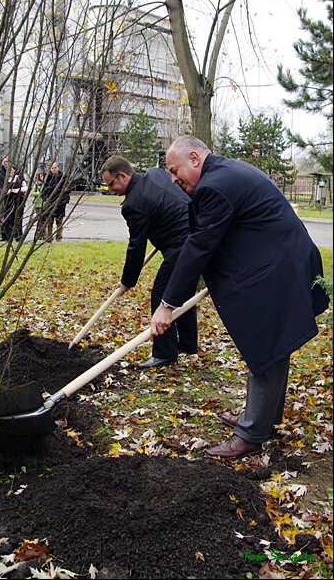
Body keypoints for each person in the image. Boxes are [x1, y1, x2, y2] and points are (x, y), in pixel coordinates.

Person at [151, 135, 329, 459]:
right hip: (281, 260)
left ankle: (251, 434)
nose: (173, 179)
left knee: (267, 346)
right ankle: (261, 418)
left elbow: (198, 247)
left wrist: (167, 305)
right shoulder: (226, 172)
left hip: (279, 268)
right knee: (271, 346)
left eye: (175, 171)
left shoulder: (214, 185)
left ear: (194, 158)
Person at [100, 155, 198, 368]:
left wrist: (127, 281)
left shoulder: (132, 204)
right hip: (196, 234)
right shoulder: (156, 174)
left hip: (180, 245)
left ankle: (164, 353)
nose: (110, 189)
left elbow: (136, 246)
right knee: (182, 291)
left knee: (162, 295)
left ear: (123, 176)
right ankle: (189, 344)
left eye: (110, 184)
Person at [42, 162, 70, 243]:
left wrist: (64, 201)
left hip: (60, 203)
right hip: (50, 203)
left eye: (55, 168)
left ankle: (59, 238)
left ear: (58, 168)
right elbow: (44, 190)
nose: (54, 169)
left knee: (59, 222)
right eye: (52, 168)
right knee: (49, 222)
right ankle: (49, 239)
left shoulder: (63, 177)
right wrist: (46, 200)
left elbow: (67, 190)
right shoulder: (47, 177)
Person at [1, 166, 27, 242]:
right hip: (8, 203)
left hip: (18, 202)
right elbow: (2, 190)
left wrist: (18, 190)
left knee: (18, 219)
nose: (11, 171)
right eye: (10, 170)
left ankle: (18, 236)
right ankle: (9, 236)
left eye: (12, 169)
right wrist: (10, 191)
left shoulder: (19, 178)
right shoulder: (4, 179)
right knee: (9, 219)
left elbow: (26, 187)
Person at [31, 170, 46, 240]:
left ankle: (44, 234)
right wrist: (39, 193)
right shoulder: (37, 185)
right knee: (39, 221)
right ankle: (38, 234)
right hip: (38, 205)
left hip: (45, 204)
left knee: (44, 221)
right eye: (40, 176)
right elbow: (32, 193)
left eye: (43, 176)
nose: (42, 177)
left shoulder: (47, 184)